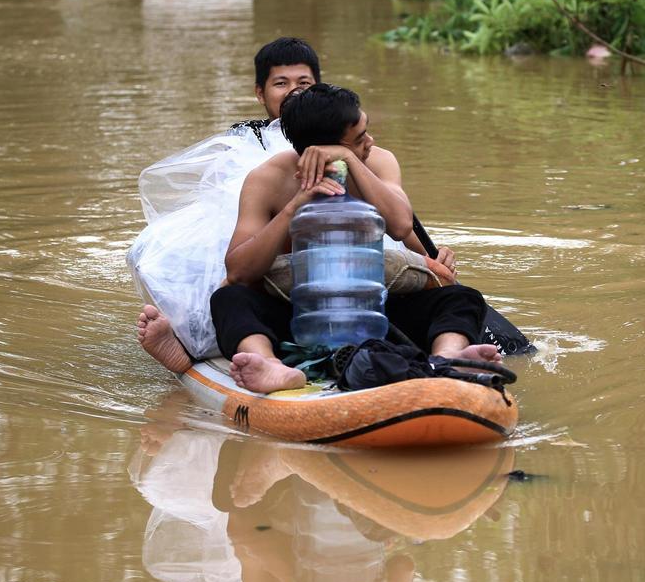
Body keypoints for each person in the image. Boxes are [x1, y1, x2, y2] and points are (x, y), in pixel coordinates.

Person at [211, 83, 499, 393]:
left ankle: (447, 359)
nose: (370, 142)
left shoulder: (377, 161)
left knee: (461, 297)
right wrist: (293, 209)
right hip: (299, 316)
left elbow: (401, 226)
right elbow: (238, 272)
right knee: (228, 299)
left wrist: (350, 158)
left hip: (372, 310)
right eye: (359, 139)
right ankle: (270, 365)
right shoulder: (267, 179)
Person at [136, 37, 321, 374]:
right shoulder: (247, 135)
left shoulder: (338, 130)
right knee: (166, 259)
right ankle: (189, 349)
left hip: (318, 241)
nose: (294, 91)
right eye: (281, 83)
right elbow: (223, 191)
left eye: (304, 83)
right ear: (260, 94)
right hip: (254, 234)